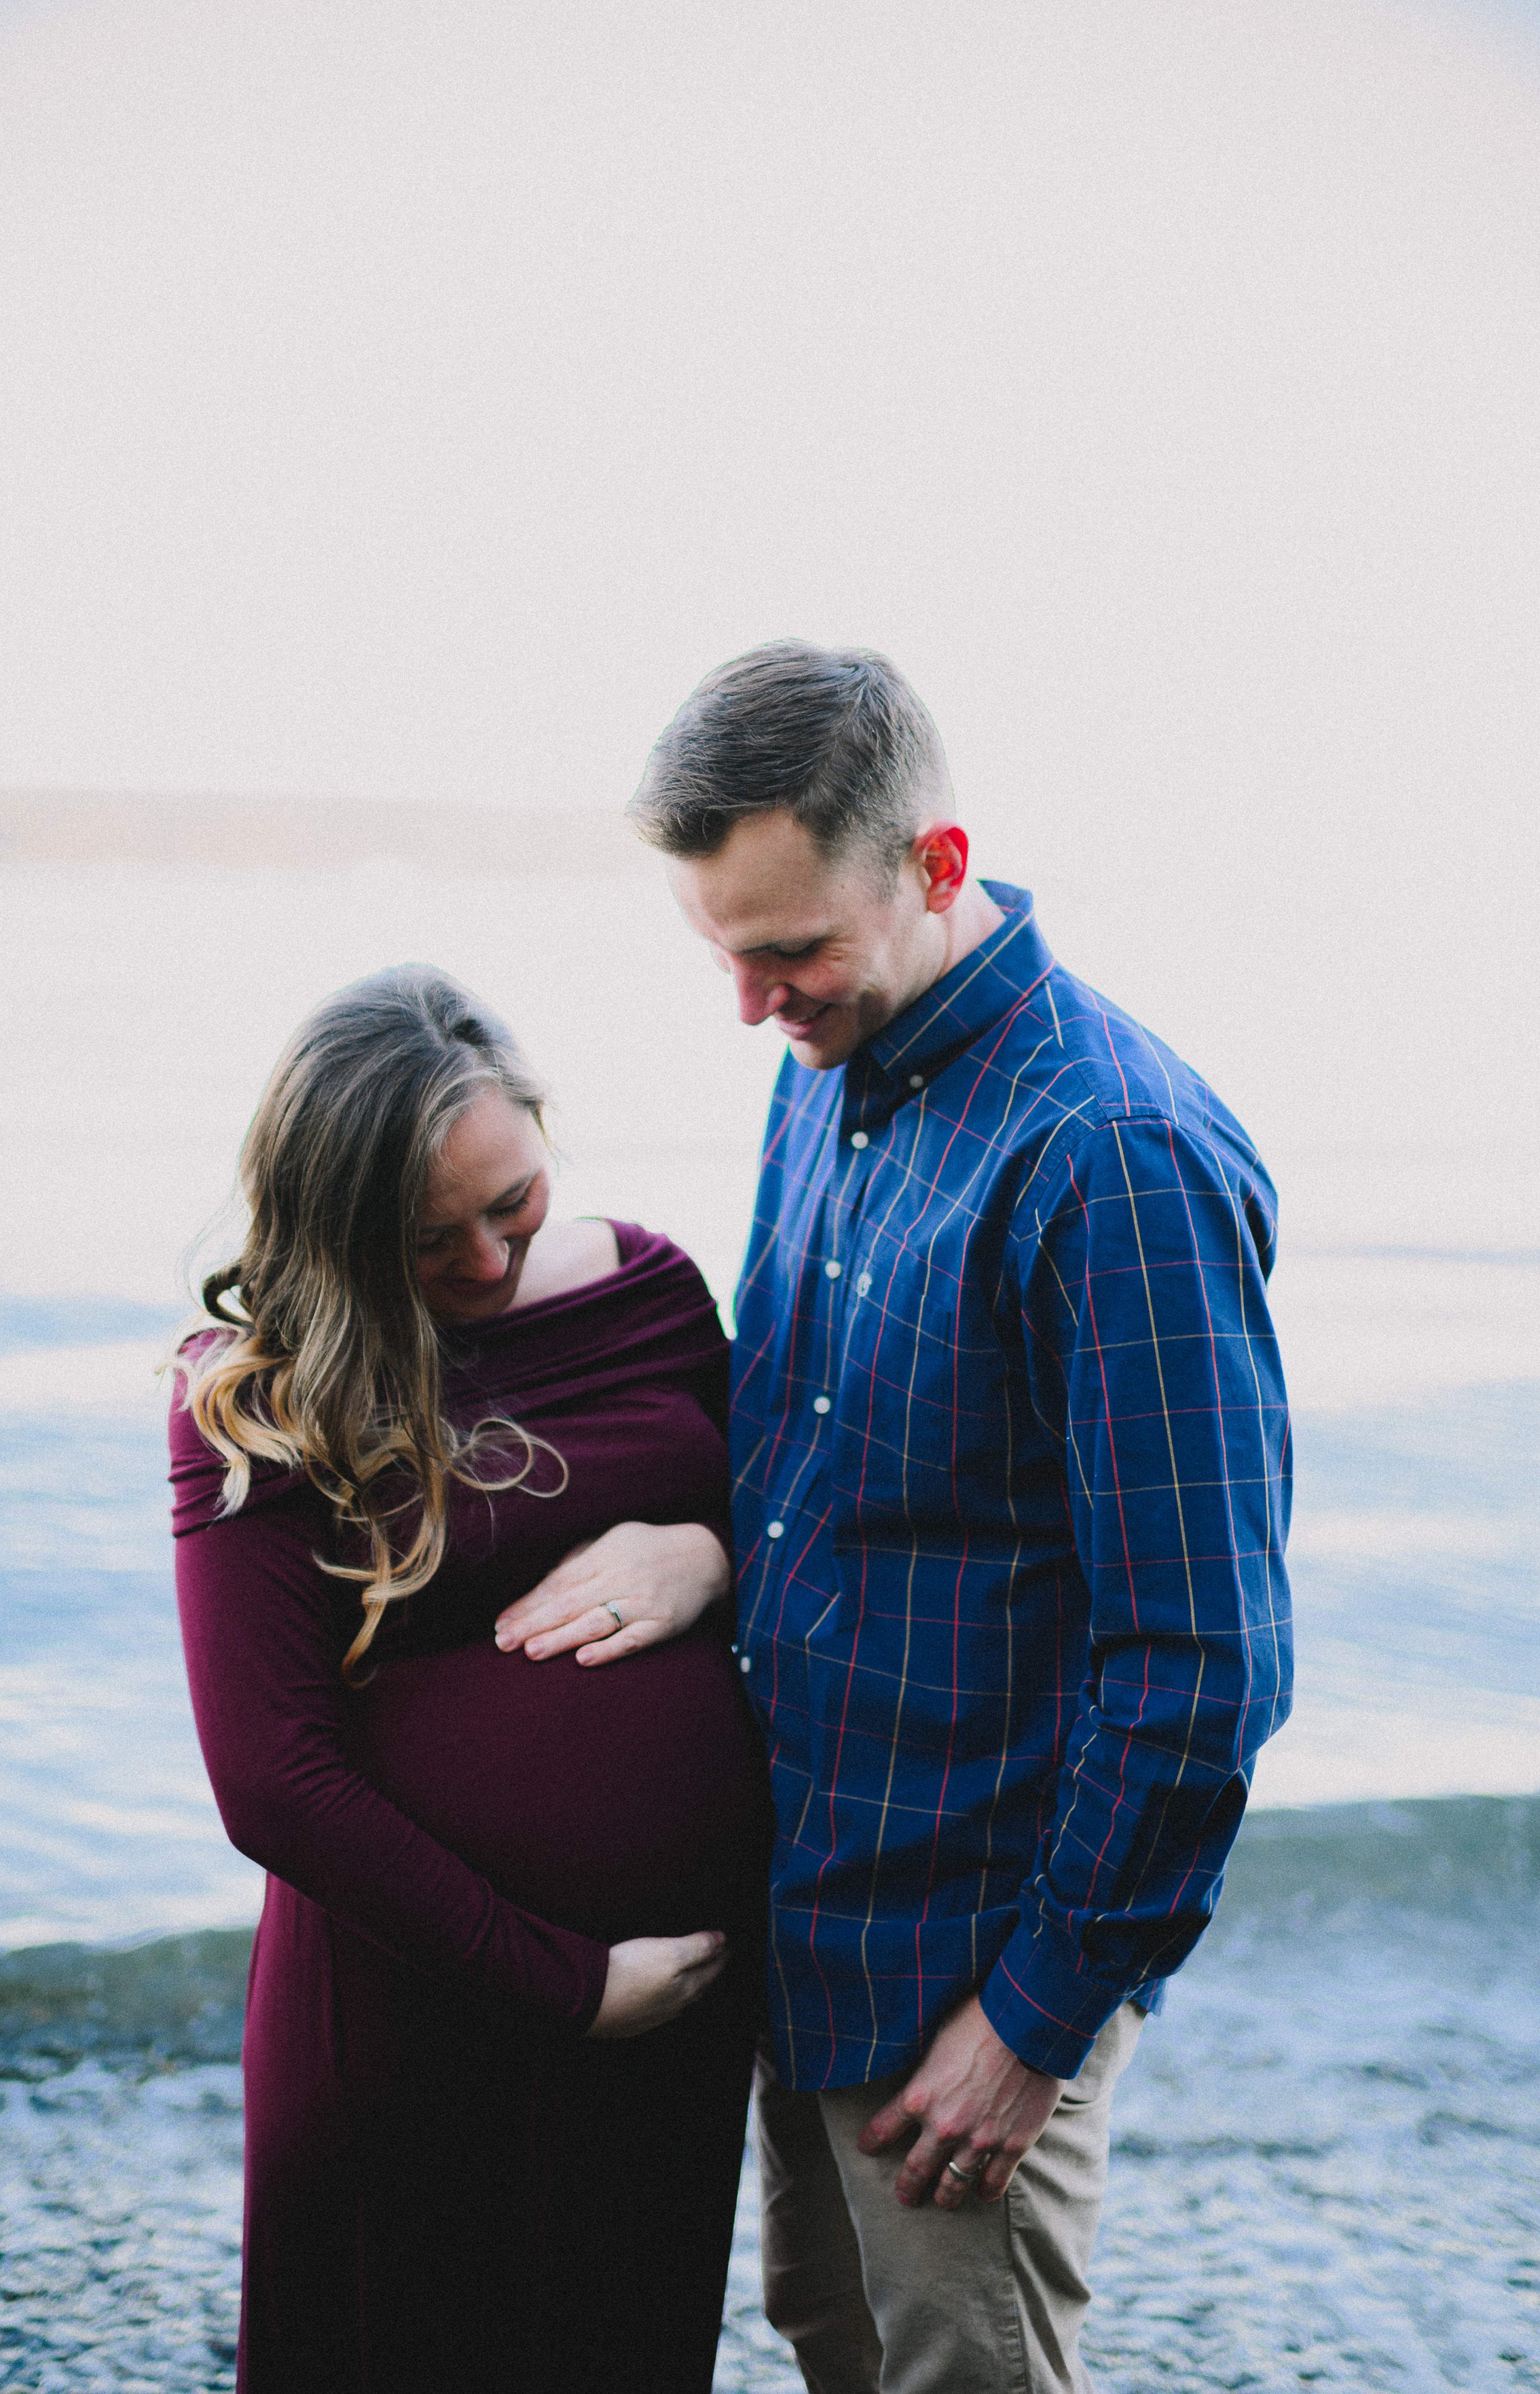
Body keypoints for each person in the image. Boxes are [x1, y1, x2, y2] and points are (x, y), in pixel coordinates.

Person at [502, 641, 1293, 2394]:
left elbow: (1200, 1667)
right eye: (722, 951)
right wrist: (702, 1543)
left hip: (972, 1974)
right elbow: (813, 1452)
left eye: (786, 949)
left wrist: (1029, 2024)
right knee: (831, 2349)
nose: (751, 1000)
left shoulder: (1113, 1156)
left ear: (936, 866)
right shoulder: (824, 1064)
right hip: (810, 1922)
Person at [166, 964, 771, 2394]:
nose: (490, 1266)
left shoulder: (649, 1288)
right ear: (337, 1225)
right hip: (414, 2008)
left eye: (512, 1206)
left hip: (666, 2016)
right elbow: (272, 1780)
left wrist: (707, 1555)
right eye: (430, 1243)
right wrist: (565, 1983)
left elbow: (801, 1520)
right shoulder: (256, 1397)